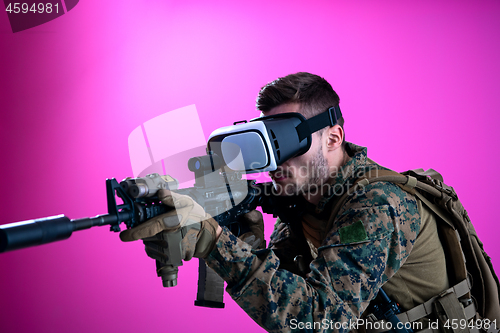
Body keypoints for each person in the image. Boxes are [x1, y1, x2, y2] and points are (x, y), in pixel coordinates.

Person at [120, 72, 450, 332]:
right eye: (266, 145)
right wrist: (245, 243)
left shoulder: (379, 206)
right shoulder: (302, 201)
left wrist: (215, 243)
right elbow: (291, 296)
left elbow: (320, 320)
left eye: (286, 143)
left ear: (333, 137)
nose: (275, 163)